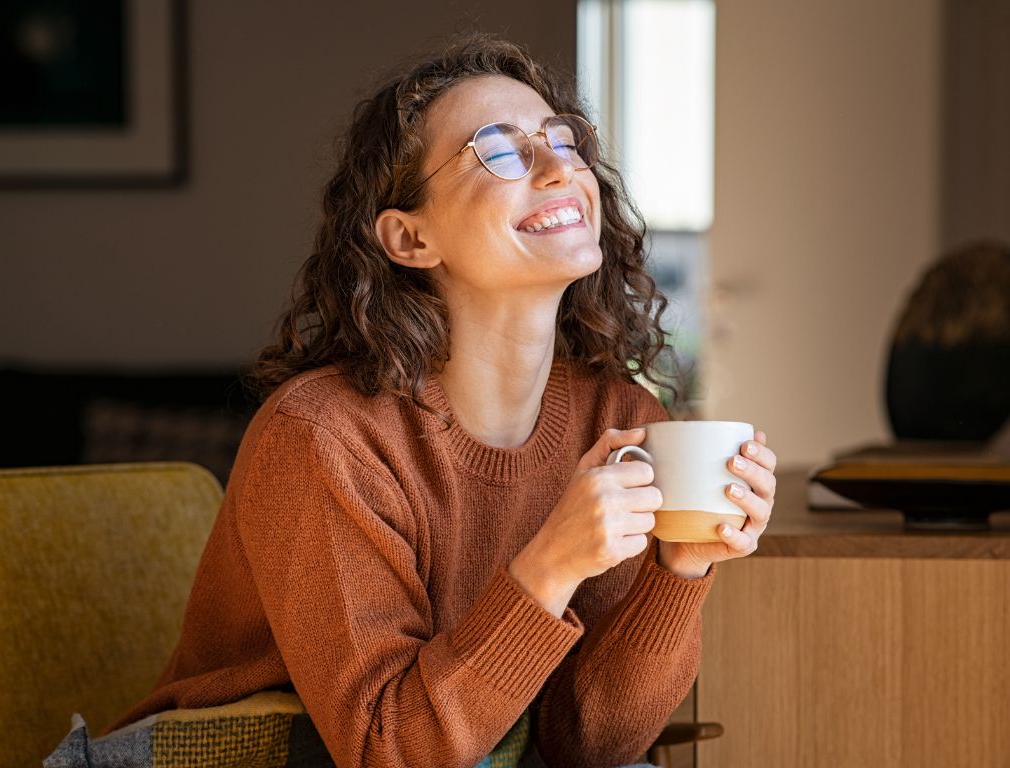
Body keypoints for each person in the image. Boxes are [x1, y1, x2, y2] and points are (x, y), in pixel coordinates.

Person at [104, 35, 777, 768]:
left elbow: (586, 748)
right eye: (500, 150)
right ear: (409, 237)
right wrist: (549, 565)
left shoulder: (619, 422)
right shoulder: (322, 437)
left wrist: (679, 570)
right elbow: (384, 749)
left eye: (565, 139)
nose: (559, 168)